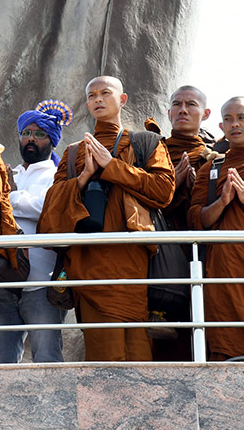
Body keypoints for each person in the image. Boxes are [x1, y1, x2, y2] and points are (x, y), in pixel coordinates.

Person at [38, 76, 175, 361]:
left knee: (138, 350)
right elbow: (52, 207)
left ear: (122, 100)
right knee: (102, 350)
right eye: (92, 95)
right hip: (90, 262)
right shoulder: (74, 151)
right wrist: (84, 177)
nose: (98, 99)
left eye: (105, 93)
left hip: (133, 261)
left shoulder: (145, 143)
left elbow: (163, 191)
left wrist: (112, 167)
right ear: (87, 104)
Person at [190, 96, 244, 360]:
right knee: (224, 342)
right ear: (220, 125)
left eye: (242, 117)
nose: (234, 124)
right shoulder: (211, 169)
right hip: (220, 269)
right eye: (228, 119)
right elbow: (195, 218)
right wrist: (222, 202)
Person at [0, 101, 72, 363]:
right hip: (6, 281)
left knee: (47, 359)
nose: (31, 139)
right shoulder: (9, 174)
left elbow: (46, 208)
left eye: (39, 134)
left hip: (42, 285)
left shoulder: (58, 175)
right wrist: (9, 197)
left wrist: (7, 197)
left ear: (52, 141)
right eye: (26, 133)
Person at [147, 85, 215, 359]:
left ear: (206, 113)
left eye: (191, 104)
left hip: (204, 251)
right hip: (162, 253)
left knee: (202, 326)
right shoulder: (153, 151)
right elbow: (140, 201)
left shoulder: (217, 155)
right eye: (177, 104)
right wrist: (169, 183)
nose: (183, 110)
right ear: (169, 111)